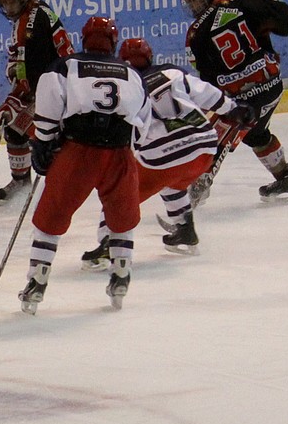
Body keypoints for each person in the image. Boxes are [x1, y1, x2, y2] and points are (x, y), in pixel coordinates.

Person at [80, 38, 255, 269]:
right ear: (150, 57)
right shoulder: (172, 73)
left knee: (119, 196)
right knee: (174, 182)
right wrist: (235, 110)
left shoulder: (124, 87)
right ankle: (184, 229)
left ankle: (108, 243)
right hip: (203, 149)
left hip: (162, 159)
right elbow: (208, 94)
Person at [18, 17, 150, 313]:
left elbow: (48, 111)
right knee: (122, 216)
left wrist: (44, 144)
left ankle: (37, 281)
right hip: (119, 153)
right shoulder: (132, 73)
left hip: (79, 152)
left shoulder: (65, 66)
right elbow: (143, 123)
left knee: (51, 216)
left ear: (84, 39)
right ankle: (121, 276)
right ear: (113, 42)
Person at [179, 0, 288, 204]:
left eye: (196, 0)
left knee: (216, 134)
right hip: (272, 85)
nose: (194, 6)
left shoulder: (195, 34)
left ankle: (200, 185)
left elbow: (208, 80)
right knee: (255, 134)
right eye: (190, 2)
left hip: (245, 98)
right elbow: (285, 19)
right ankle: (286, 179)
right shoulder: (243, 0)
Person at [0, 0, 75, 205]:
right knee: (14, 127)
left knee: (40, 135)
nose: (8, 7)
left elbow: (33, 67)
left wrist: (17, 97)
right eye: (4, 2)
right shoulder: (32, 13)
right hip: (51, 86)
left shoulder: (34, 22)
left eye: (12, 1)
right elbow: (23, 62)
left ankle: (60, 184)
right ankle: (22, 182)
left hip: (55, 90)